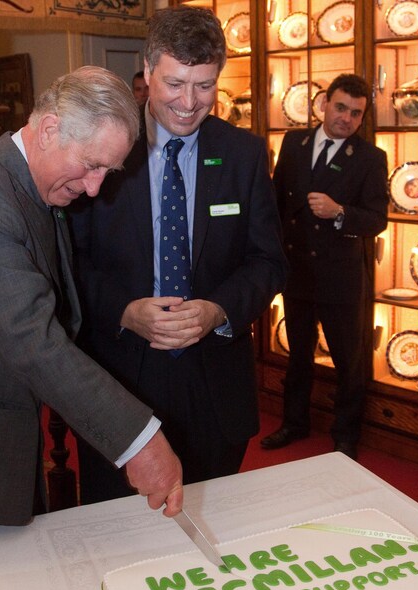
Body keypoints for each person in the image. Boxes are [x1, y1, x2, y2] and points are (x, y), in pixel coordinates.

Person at [0, 65, 184, 590]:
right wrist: (140, 439)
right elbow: (34, 339)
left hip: (4, 440)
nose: (94, 188)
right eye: (91, 166)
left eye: (106, 175)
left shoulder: (34, 185)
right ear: (50, 124)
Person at [68, 6, 287, 504]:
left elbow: (268, 262)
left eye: (205, 86)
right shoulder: (101, 147)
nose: (189, 103)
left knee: (210, 539)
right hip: (119, 387)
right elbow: (69, 262)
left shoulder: (244, 155)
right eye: (175, 83)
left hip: (215, 392)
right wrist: (124, 310)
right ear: (147, 71)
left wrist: (218, 310)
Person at [261, 73, 388, 460]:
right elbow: (278, 202)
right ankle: (294, 423)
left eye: (356, 113)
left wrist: (340, 213)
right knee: (297, 355)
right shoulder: (294, 143)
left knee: (349, 362)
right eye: (340, 107)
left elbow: (376, 219)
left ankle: (345, 436)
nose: (346, 118)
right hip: (298, 271)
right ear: (323, 104)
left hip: (341, 277)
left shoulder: (370, 158)